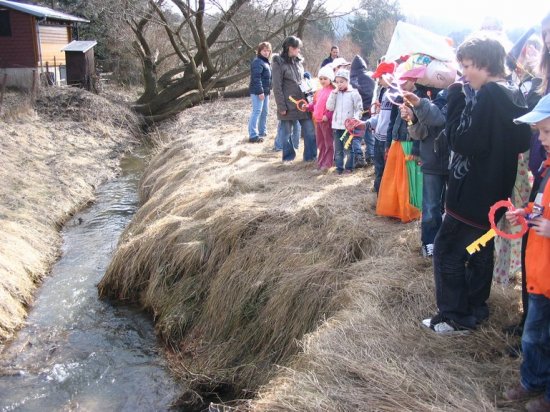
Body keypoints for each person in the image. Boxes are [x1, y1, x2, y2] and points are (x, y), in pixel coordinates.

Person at [422, 34, 531, 333]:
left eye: (468, 65)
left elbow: (465, 141)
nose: (464, 73)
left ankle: (455, 317)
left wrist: (456, 98)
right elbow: (521, 140)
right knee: (479, 251)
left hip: (470, 194)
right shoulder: (513, 93)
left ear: (485, 64)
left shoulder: (488, 95)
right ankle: (475, 308)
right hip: (495, 193)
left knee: (446, 250)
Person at [503, 93, 550, 412]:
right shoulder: (547, 169)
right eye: (540, 133)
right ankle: (532, 380)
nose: (541, 139)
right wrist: (527, 211)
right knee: (534, 336)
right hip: (538, 274)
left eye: (546, 131)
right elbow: (543, 207)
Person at [402, 88, 449, 258]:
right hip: (431, 160)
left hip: (452, 162)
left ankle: (447, 244)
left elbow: (438, 118)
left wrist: (419, 105)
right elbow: (419, 133)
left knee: (450, 208)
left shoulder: (454, 93)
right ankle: (429, 242)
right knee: (430, 207)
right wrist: (412, 119)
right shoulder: (419, 94)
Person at [272, 36, 317, 162]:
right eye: (297, 48)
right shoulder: (278, 63)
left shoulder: (298, 62)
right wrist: (281, 106)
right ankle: (288, 158)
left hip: (302, 104)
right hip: (288, 104)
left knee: (309, 131)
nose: (299, 51)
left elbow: (301, 81)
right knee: (286, 134)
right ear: (290, 48)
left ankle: (310, 157)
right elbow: (277, 87)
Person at [326, 69, 363, 174]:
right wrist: (334, 93)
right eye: (337, 82)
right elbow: (329, 107)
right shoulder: (335, 93)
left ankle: (349, 167)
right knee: (338, 149)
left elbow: (359, 109)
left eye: (341, 81)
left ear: (347, 81)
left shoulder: (353, 93)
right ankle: (339, 167)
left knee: (348, 148)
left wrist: (354, 120)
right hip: (337, 126)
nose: (339, 84)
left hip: (348, 127)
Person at [367, 62, 395, 193]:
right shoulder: (385, 93)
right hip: (378, 136)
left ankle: (383, 198)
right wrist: (367, 123)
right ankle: (378, 196)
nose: (378, 82)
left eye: (380, 78)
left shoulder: (396, 96)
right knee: (378, 169)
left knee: (386, 171)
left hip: (387, 139)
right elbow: (381, 116)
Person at [307, 65, 335, 170]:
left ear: (330, 79)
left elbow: (333, 108)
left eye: (325, 79)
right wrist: (308, 107)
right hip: (318, 120)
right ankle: (321, 162)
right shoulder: (319, 91)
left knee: (328, 142)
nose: (322, 81)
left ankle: (327, 163)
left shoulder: (332, 91)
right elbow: (315, 104)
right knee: (320, 142)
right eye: (321, 79)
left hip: (326, 121)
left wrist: (327, 116)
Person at [350, 55, 375, 167]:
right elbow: (372, 94)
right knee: (369, 136)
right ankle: (371, 156)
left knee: (357, 136)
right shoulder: (370, 79)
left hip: (357, 113)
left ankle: (359, 157)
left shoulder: (350, 81)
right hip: (368, 112)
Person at [248, 42, 272, 143]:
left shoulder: (266, 62)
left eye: (268, 51)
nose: (266, 52)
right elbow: (256, 78)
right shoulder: (257, 62)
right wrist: (260, 91)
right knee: (257, 111)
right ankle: (253, 135)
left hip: (265, 91)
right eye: (264, 50)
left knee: (265, 112)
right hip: (258, 91)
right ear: (259, 51)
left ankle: (262, 131)